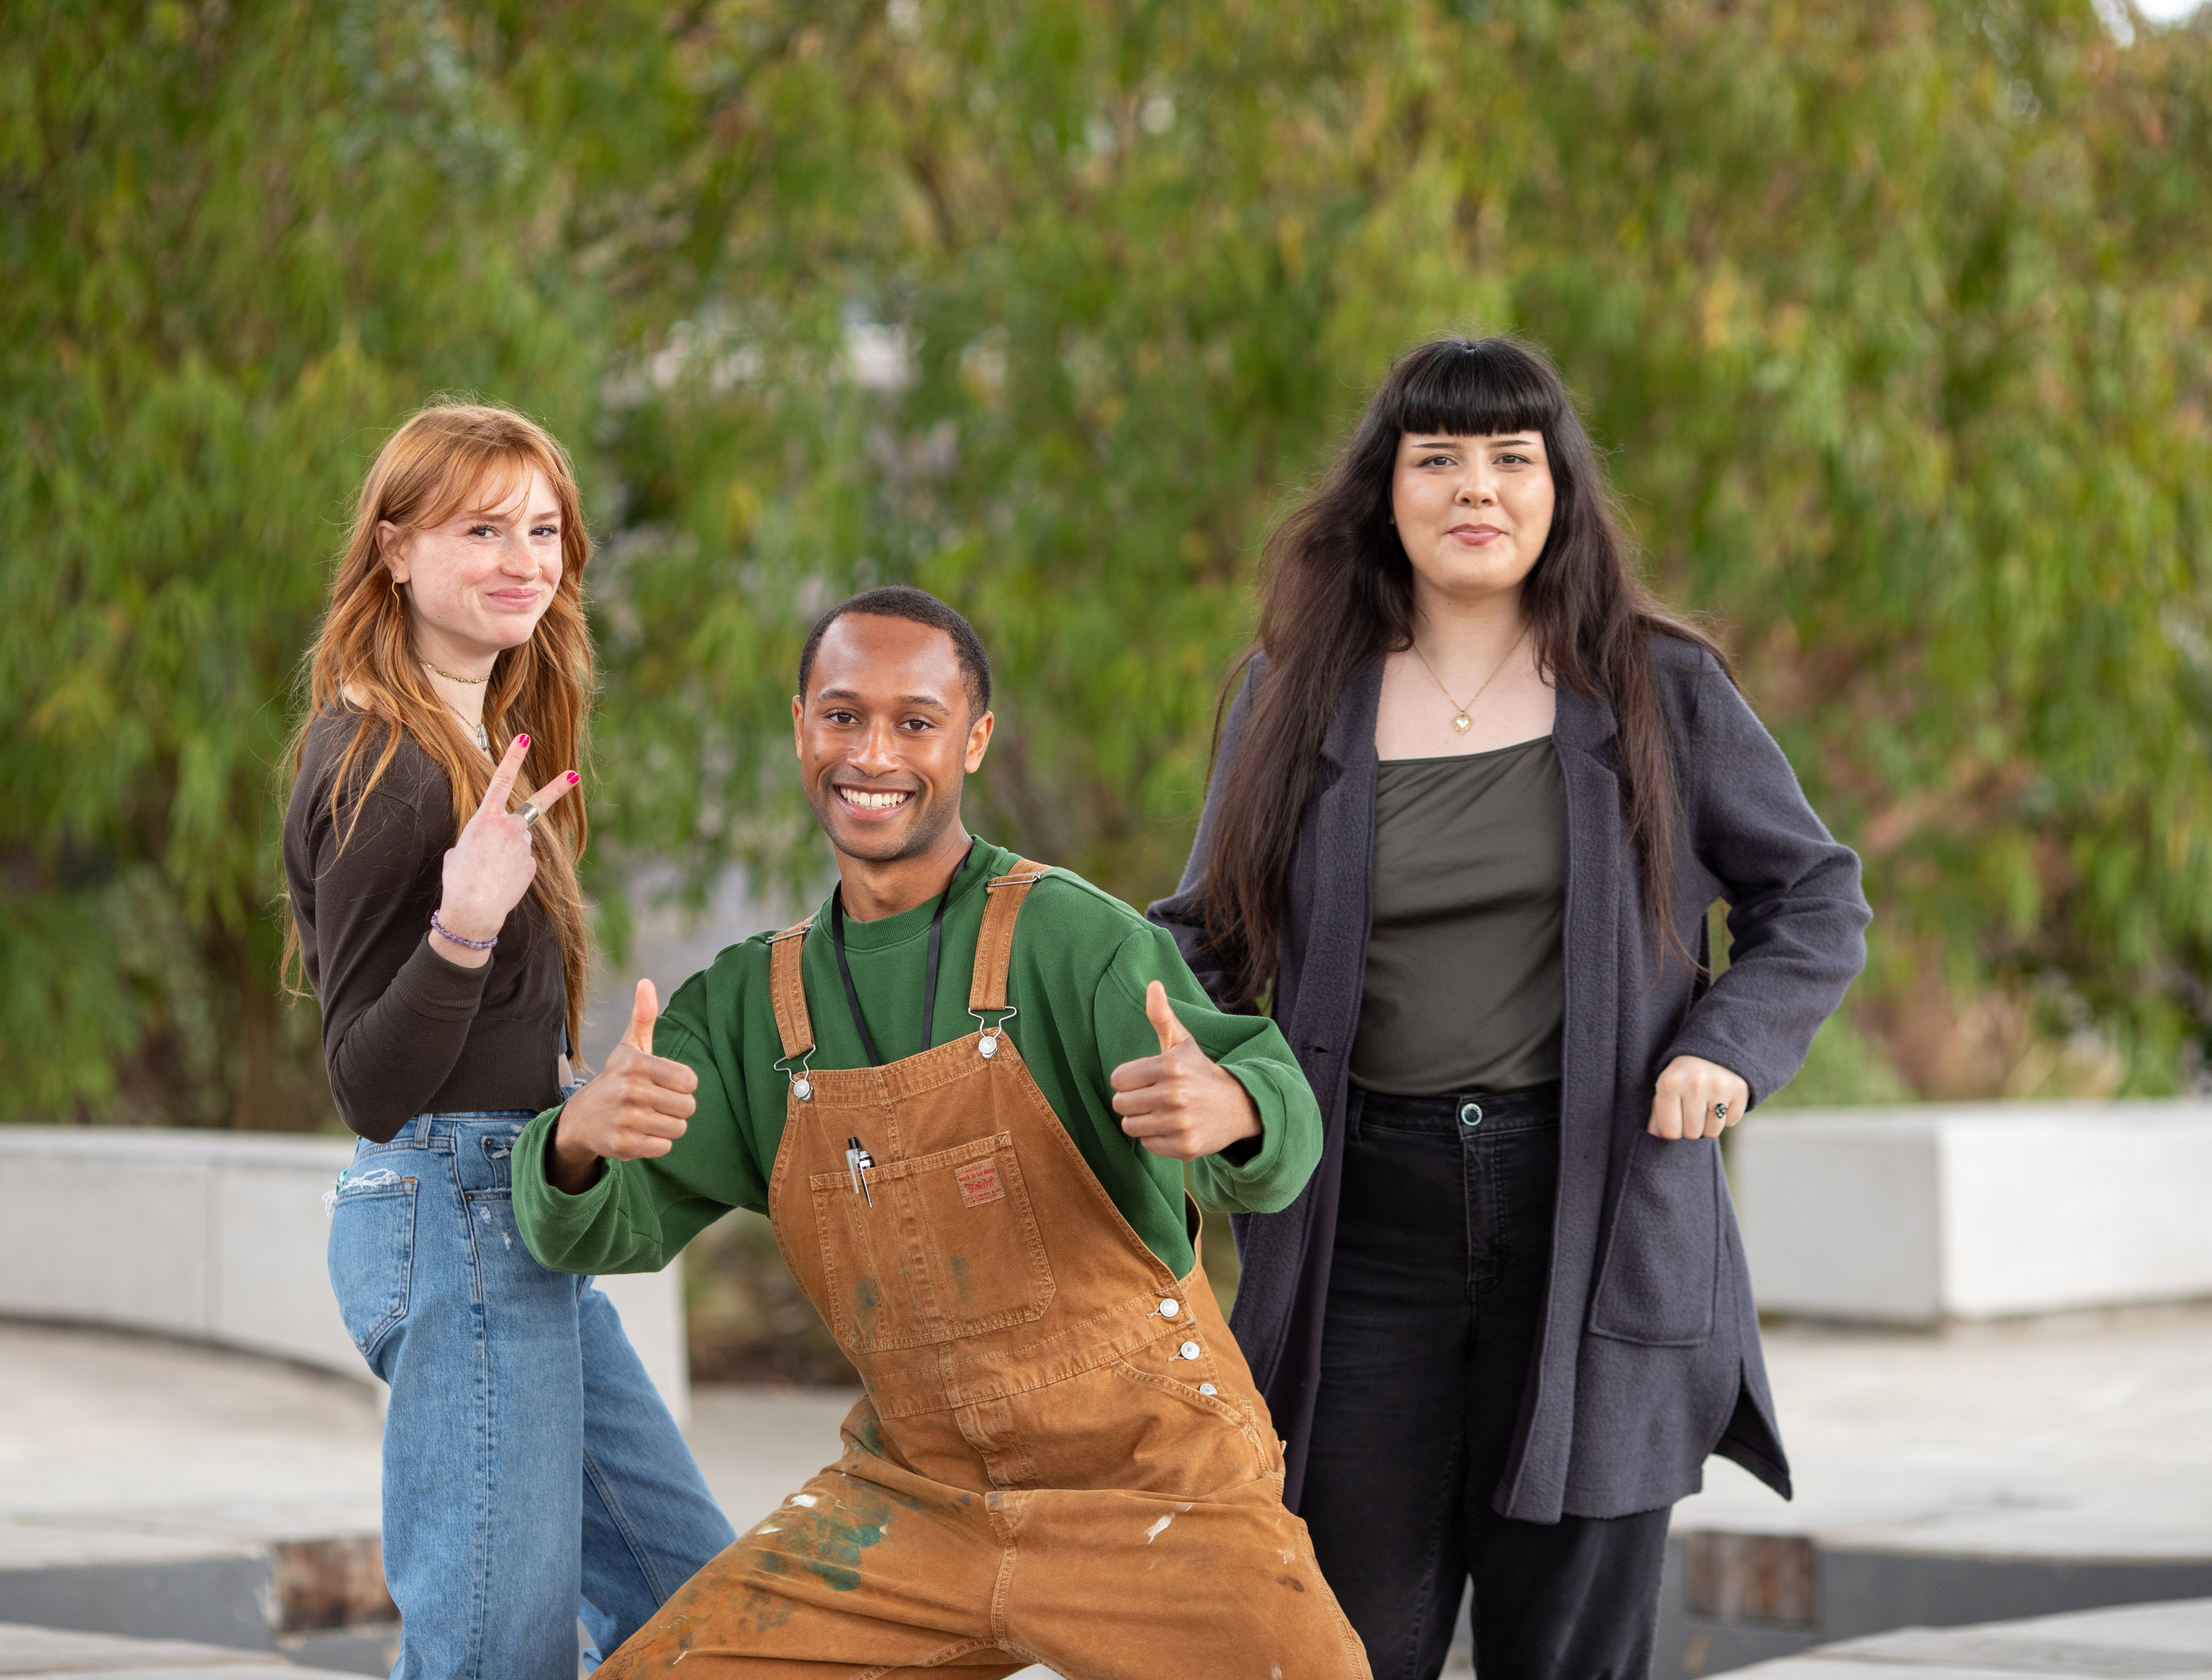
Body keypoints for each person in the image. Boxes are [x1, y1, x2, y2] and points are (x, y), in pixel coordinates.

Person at [1151, 337, 1872, 1680]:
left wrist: (1728, 1043)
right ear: (1387, 492)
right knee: (1345, 1646)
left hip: (1598, 1217)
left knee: (1573, 1650)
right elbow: (1203, 941)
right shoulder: (1291, 696)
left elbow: (1815, 897)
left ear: (1558, 489)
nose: (1474, 487)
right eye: (1437, 459)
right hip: (1362, 1221)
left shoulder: (1662, 690)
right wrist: (1211, 1070)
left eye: (1508, 457)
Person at [512, 587, 1371, 1679]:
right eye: (841, 715)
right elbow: (601, 1233)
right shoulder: (744, 1006)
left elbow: (1269, 1107)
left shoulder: (1075, 939)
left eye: (915, 722)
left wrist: (1235, 1111)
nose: (872, 752)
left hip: (1158, 1497)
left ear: (974, 739)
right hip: (911, 1504)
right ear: (800, 727)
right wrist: (577, 1141)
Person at [280, 402, 733, 1680]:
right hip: (458, 1215)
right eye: (482, 527)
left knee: (702, 1605)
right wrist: (464, 927)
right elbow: (370, 1081)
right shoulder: (384, 761)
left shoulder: (474, 742)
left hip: (524, 1216)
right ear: (395, 548)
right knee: (493, 1656)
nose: (524, 557)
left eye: (543, 529)